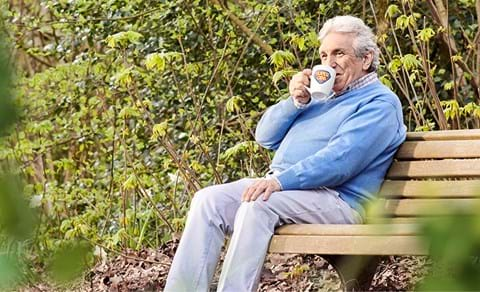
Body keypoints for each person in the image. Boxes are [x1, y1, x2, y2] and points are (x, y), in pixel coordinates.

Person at [164, 15, 406, 292]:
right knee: (208, 200)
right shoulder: (319, 97)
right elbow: (265, 137)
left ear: (366, 59)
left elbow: (341, 161)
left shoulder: (380, 103)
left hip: (339, 200)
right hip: (289, 190)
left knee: (260, 202)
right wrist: (295, 102)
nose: (329, 63)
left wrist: (279, 183)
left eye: (339, 53)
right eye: (324, 55)